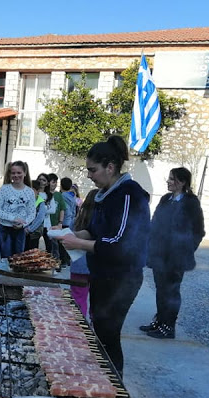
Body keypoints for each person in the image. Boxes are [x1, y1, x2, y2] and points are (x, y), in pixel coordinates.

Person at [61, 135, 151, 376]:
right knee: (100, 328)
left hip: (122, 278)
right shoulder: (107, 192)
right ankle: (101, 378)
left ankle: (112, 382)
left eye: (93, 170)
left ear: (110, 167)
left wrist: (78, 242)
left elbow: (118, 244)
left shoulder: (128, 194)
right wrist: (72, 234)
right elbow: (97, 231)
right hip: (103, 274)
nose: (89, 175)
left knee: (109, 333)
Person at [139, 167, 205, 339]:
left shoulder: (191, 202)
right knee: (161, 290)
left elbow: (198, 230)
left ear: (182, 182)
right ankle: (159, 320)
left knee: (171, 291)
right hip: (159, 254)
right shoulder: (166, 199)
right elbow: (155, 222)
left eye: (172, 179)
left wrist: (187, 248)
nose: (168, 181)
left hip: (177, 257)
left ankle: (169, 326)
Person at [0, 161, 35, 258]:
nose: (16, 175)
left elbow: (32, 213)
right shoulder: (4, 189)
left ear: (24, 173)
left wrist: (24, 224)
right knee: (6, 257)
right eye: (13, 173)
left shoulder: (29, 192)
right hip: (5, 229)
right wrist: (13, 218)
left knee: (18, 258)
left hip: (20, 230)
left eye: (19, 173)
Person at [69, 189, 98, 321]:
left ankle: (79, 324)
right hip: (97, 267)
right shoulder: (103, 223)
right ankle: (95, 325)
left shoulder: (76, 221)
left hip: (78, 266)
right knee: (97, 299)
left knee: (78, 297)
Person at [47, 173, 67, 262]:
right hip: (44, 224)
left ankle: (56, 263)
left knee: (55, 245)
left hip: (55, 224)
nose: (54, 184)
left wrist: (60, 222)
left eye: (56, 182)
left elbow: (62, 209)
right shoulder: (43, 194)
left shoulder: (58, 195)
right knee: (48, 245)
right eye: (53, 182)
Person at [24, 180, 48, 251]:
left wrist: (30, 229)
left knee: (32, 252)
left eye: (32, 190)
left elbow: (40, 218)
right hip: (24, 231)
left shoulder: (40, 202)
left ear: (37, 191)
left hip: (34, 232)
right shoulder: (25, 201)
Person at [59, 177, 77, 266]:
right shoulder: (73, 197)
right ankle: (67, 260)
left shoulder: (62, 196)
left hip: (64, 221)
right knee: (68, 241)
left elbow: (63, 209)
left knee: (62, 243)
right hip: (71, 221)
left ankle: (62, 261)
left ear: (61, 185)